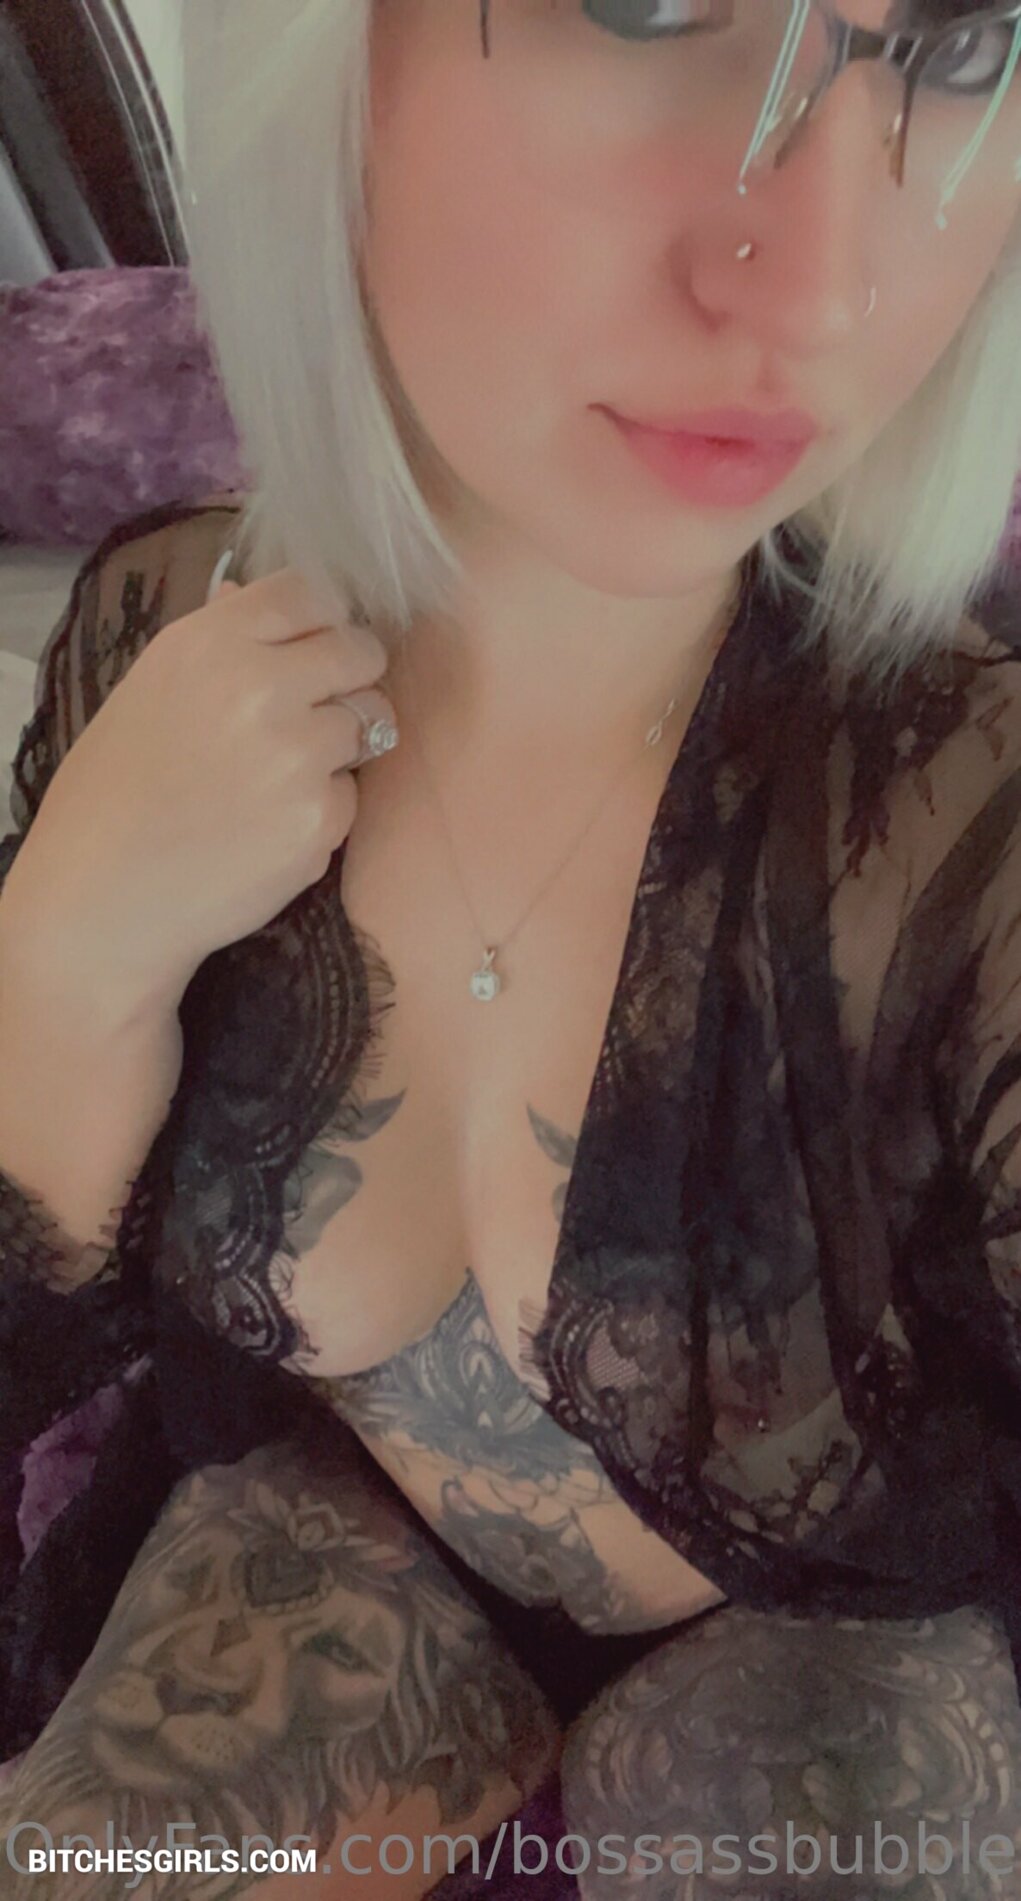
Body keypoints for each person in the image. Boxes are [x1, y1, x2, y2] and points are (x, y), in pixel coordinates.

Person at [3, 2, 1021, 1896]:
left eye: (962, 45)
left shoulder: (970, 831)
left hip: (838, 1640)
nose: (819, 286)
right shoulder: (159, 634)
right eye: (648, 1)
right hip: (331, 1553)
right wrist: (62, 955)